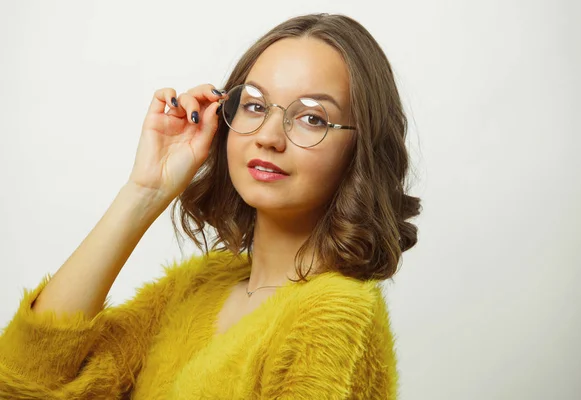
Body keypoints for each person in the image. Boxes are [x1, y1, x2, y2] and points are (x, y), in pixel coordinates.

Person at [0, 13, 421, 399]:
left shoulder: (335, 315)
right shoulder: (198, 287)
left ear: (359, 150)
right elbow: (25, 379)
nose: (269, 136)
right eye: (255, 105)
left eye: (311, 118)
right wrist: (144, 191)